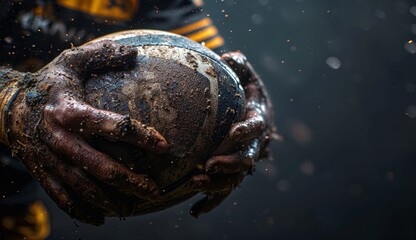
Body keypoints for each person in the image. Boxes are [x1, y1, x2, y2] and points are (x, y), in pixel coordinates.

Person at [0, 0, 275, 238]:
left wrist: (248, 119)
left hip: (14, 212)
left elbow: (224, 86)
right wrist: (10, 104)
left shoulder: (161, 5)